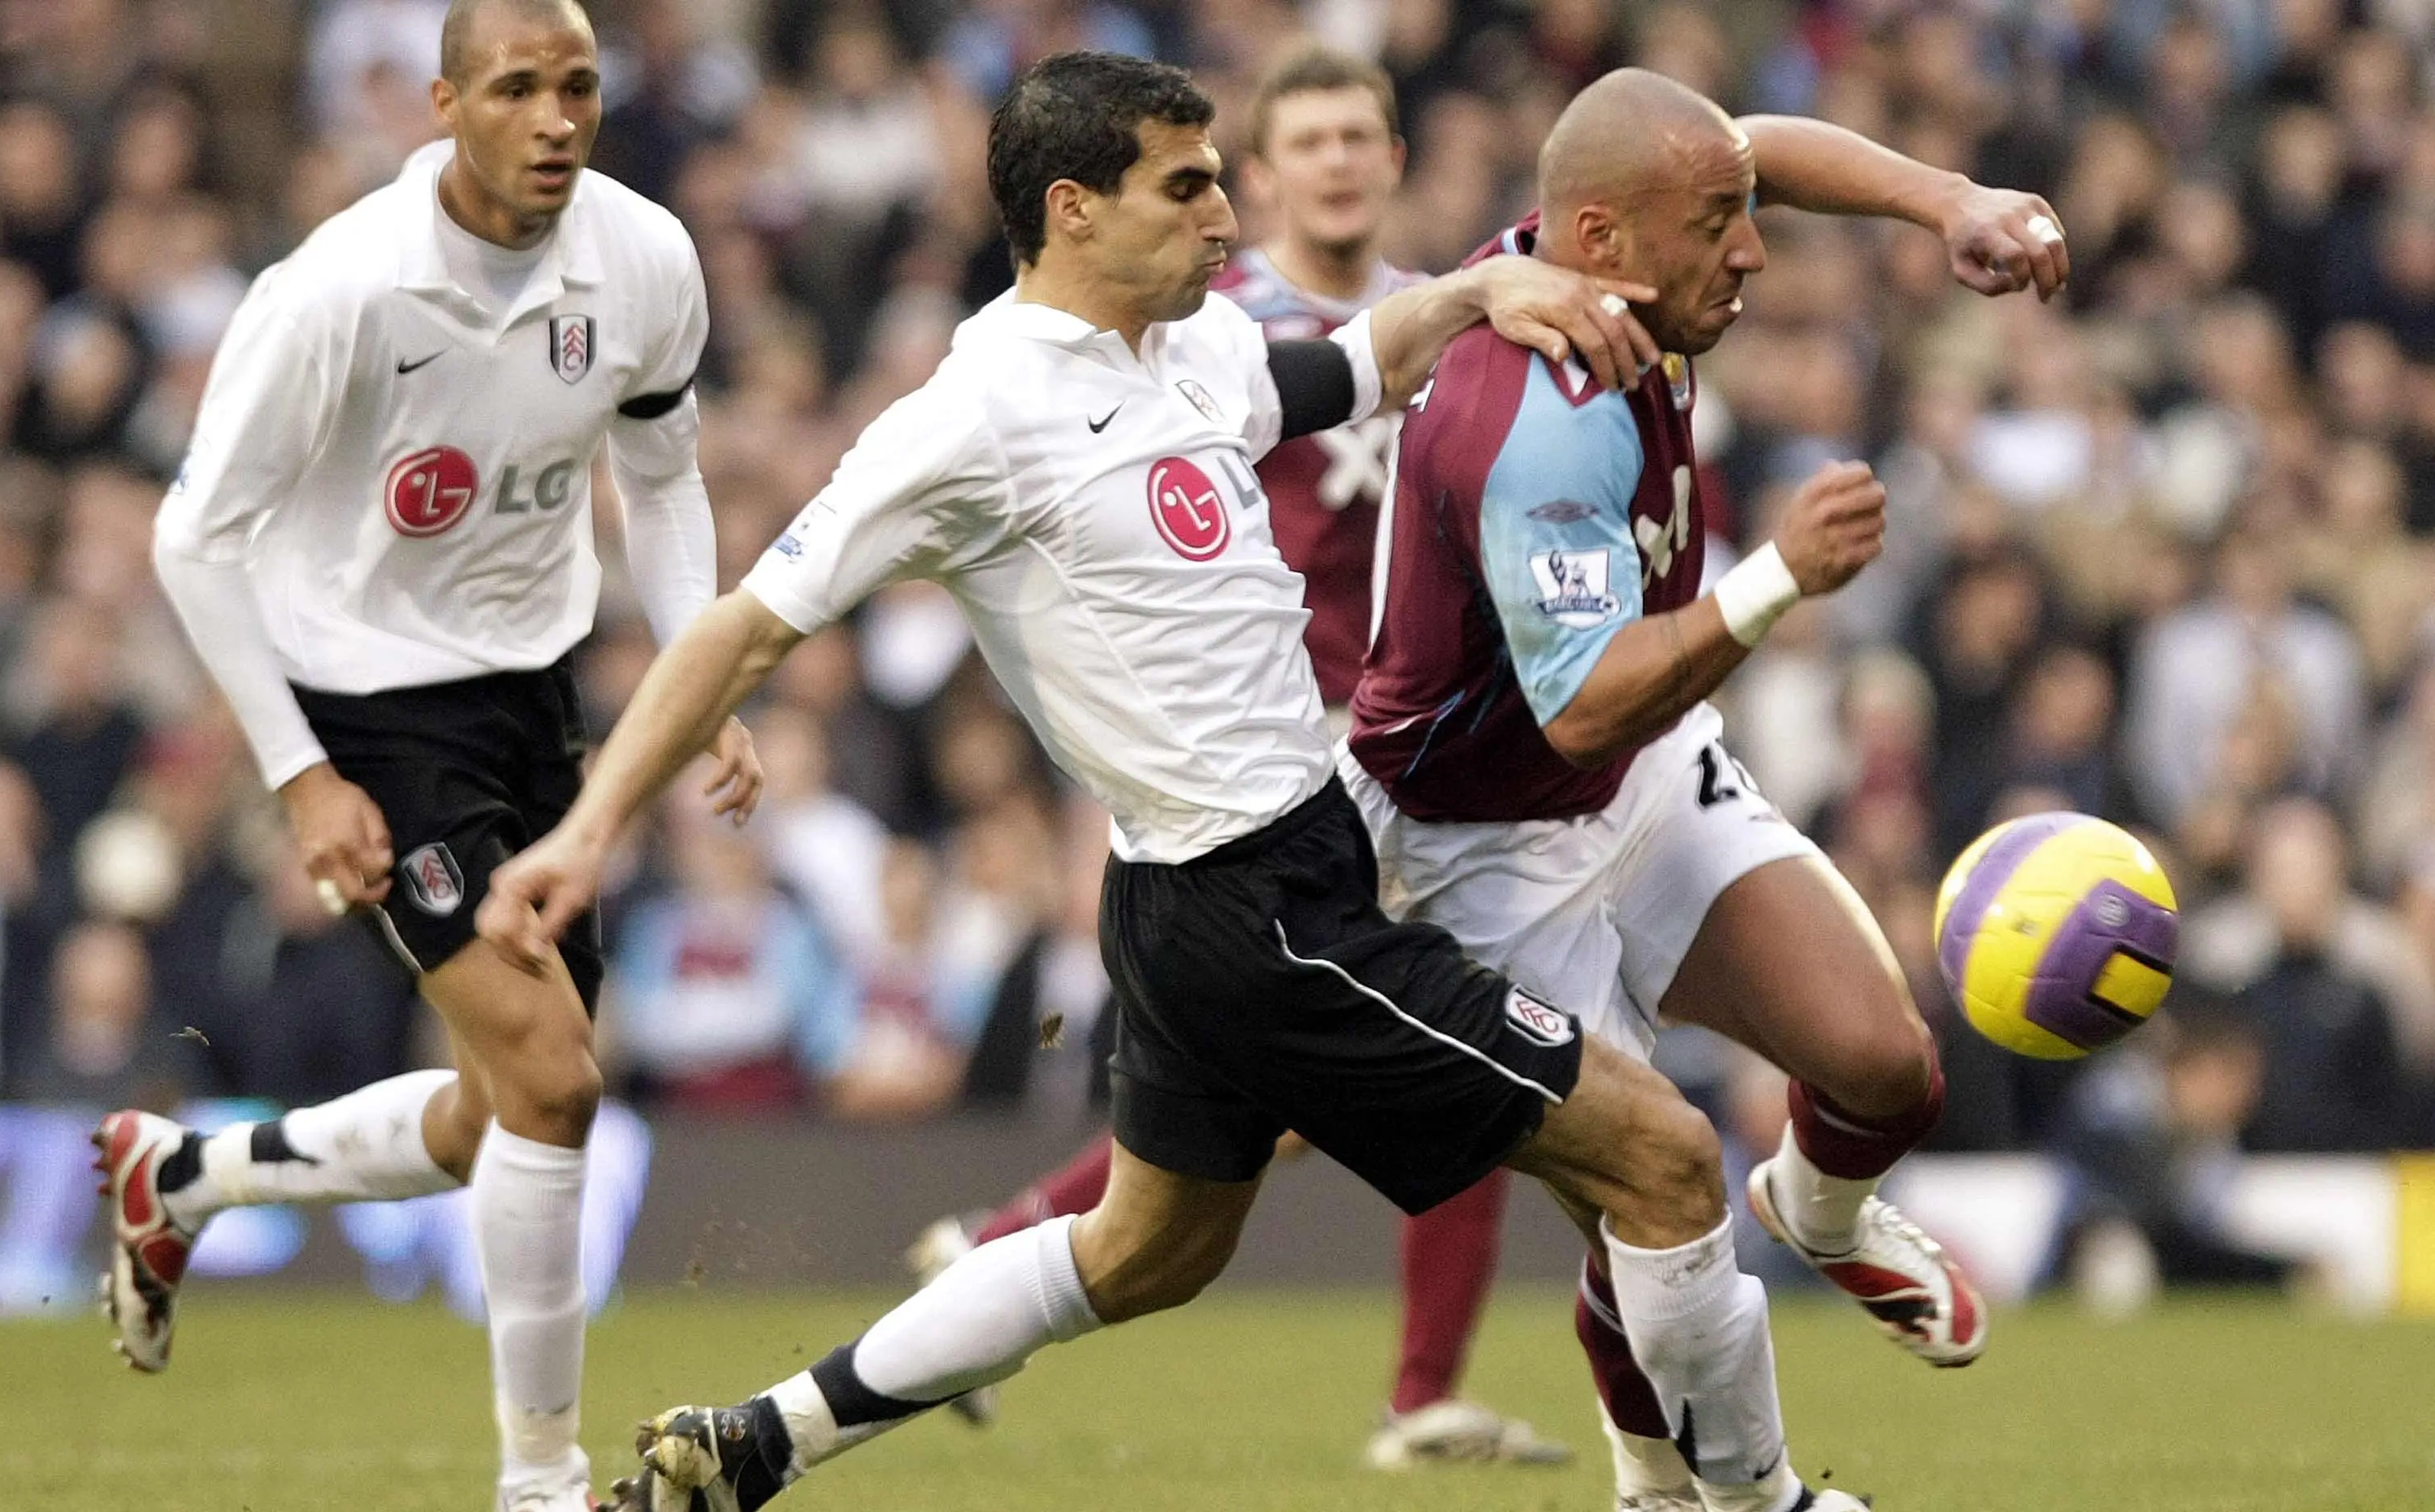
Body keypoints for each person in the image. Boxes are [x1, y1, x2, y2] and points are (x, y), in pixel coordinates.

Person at [487, 51, 1865, 1512]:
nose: (1228, 216)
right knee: (1656, 1155)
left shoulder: (1186, 348)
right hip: (1251, 912)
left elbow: (1355, 366)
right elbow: (743, 626)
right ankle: (1754, 1504)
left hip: (1230, 886)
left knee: (1144, 1253)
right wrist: (588, 829)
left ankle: (761, 1443)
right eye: (1189, 183)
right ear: (1073, 209)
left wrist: (1474, 297)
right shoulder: (974, 416)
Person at [1340, 68, 2069, 1510]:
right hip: (1481, 842)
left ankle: (1817, 1204)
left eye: (1743, 217)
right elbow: (1577, 703)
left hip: (1642, 762)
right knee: (1651, 1196)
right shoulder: (1534, 414)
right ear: (1601, 240)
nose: (1752, 251)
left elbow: (1753, 152)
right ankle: (1722, 1496)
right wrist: (1779, 574)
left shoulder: (1614, 246)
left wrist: (1948, 202)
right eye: (1719, 227)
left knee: (1883, 1069)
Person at [88, 2, 763, 1508]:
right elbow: (195, 538)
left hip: (536, 693)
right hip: (367, 706)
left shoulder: (644, 257)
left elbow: (662, 479)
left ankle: (181, 1177)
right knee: (554, 1077)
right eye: (518, 88)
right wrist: (297, 774)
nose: (555, 119)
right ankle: (542, 1483)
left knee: (499, 1111)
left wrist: (695, 672)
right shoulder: (339, 291)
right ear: (444, 102)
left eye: (579, 86)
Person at [906, 45, 1570, 1472]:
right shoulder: (1199, 316)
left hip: (1406, 741)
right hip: (1273, 757)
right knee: (1440, 1036)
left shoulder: (1438, 319)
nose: (1335, 162)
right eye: (1307, 140)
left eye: (1360, 137)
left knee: (1373, 1058)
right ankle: (1413, 1391)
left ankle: (1003, 1248)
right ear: (1259, 174)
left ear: (1396, 160)